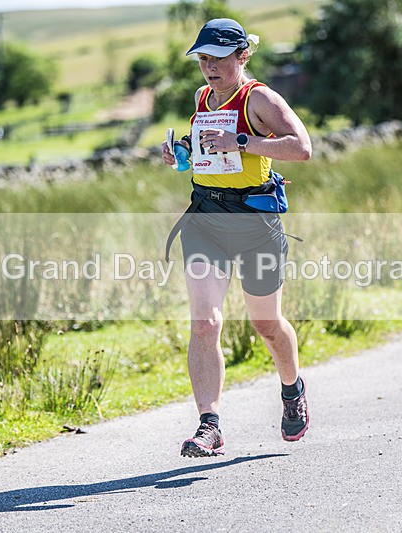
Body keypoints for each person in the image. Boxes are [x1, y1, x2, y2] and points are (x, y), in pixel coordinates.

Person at [161, 18, 313, 458]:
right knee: (205, 323)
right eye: (203, 58)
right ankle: (209, 425)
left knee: (266, 324)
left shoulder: (260, 98)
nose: (209, 67)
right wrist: (181, 155)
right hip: (206, 220)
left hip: (255, 226)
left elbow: (301, 147)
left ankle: (291, 388)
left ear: (242, 55)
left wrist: (243, 140)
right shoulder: (202, 97)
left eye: (218, 58)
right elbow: (206, 152)